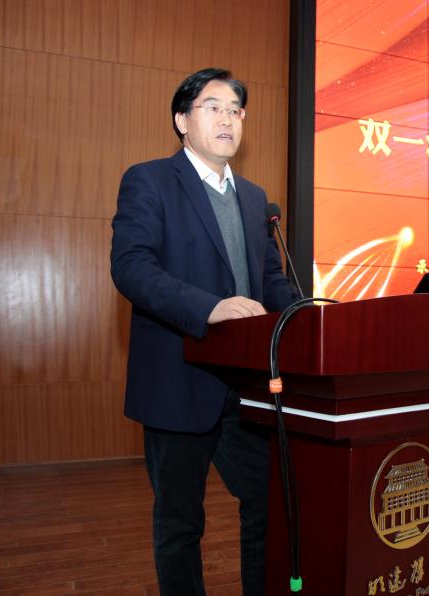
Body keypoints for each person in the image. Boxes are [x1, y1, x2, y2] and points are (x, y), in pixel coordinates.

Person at [110, 68, 298, 596]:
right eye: (213, 107)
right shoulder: (149, 180)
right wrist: (208, 308)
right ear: (182, 120)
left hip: (246, 386)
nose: (227, 119)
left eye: (236, 110)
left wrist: (307, 315)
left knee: (268, 502)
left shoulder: (255, 198)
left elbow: (270, 280)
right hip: (178, 380)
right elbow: (132, 267)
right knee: (180, 523)